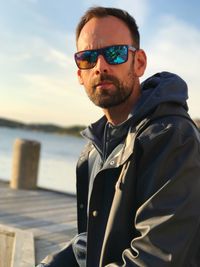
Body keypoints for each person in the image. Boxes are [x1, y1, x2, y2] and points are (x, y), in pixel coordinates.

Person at [37, 6, 200, 267]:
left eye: (114, 53)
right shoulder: (94, 150)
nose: (100, 66)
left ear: (139, 62)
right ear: (80, 74)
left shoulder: (173, 139)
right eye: (88, 58)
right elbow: (91, 243)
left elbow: (156, 258)